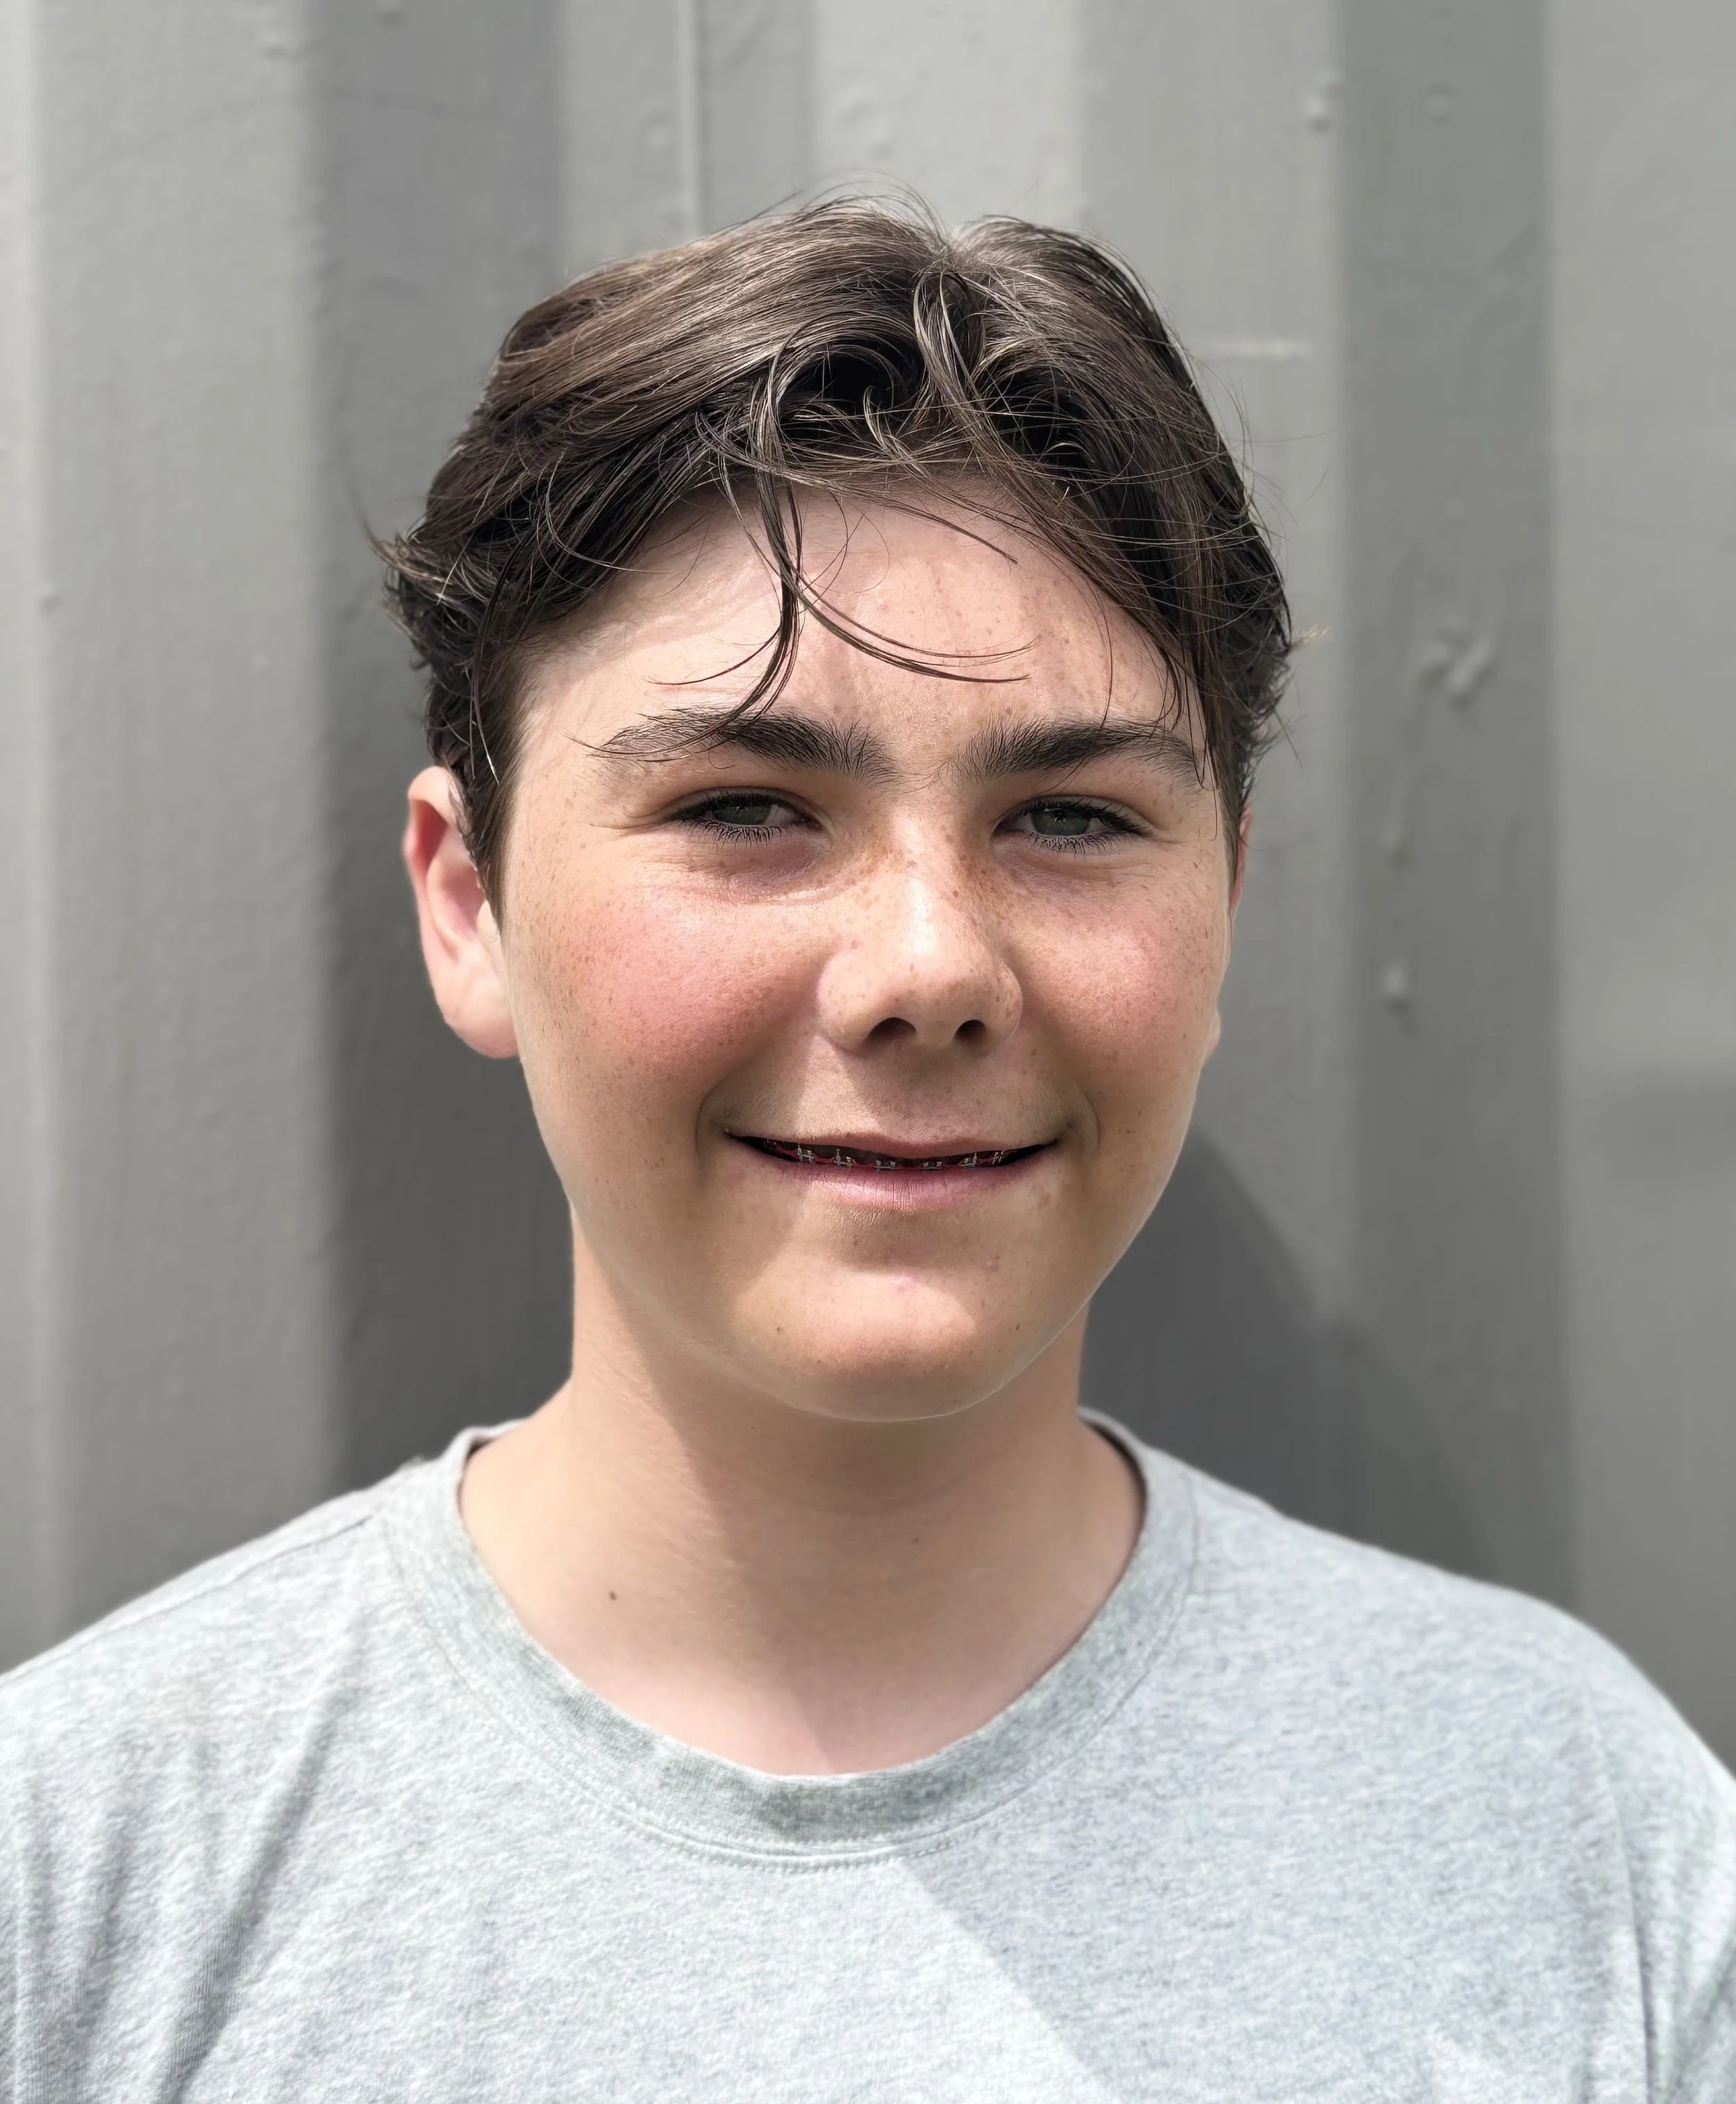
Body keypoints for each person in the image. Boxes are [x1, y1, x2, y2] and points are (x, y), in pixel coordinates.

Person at [3, 202, 1732, 2101]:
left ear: (1223, 912)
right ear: (467, 905)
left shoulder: (1580, 1843)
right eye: (745, 806)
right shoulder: (86, 1881)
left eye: (1069, 818)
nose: (927, 966)